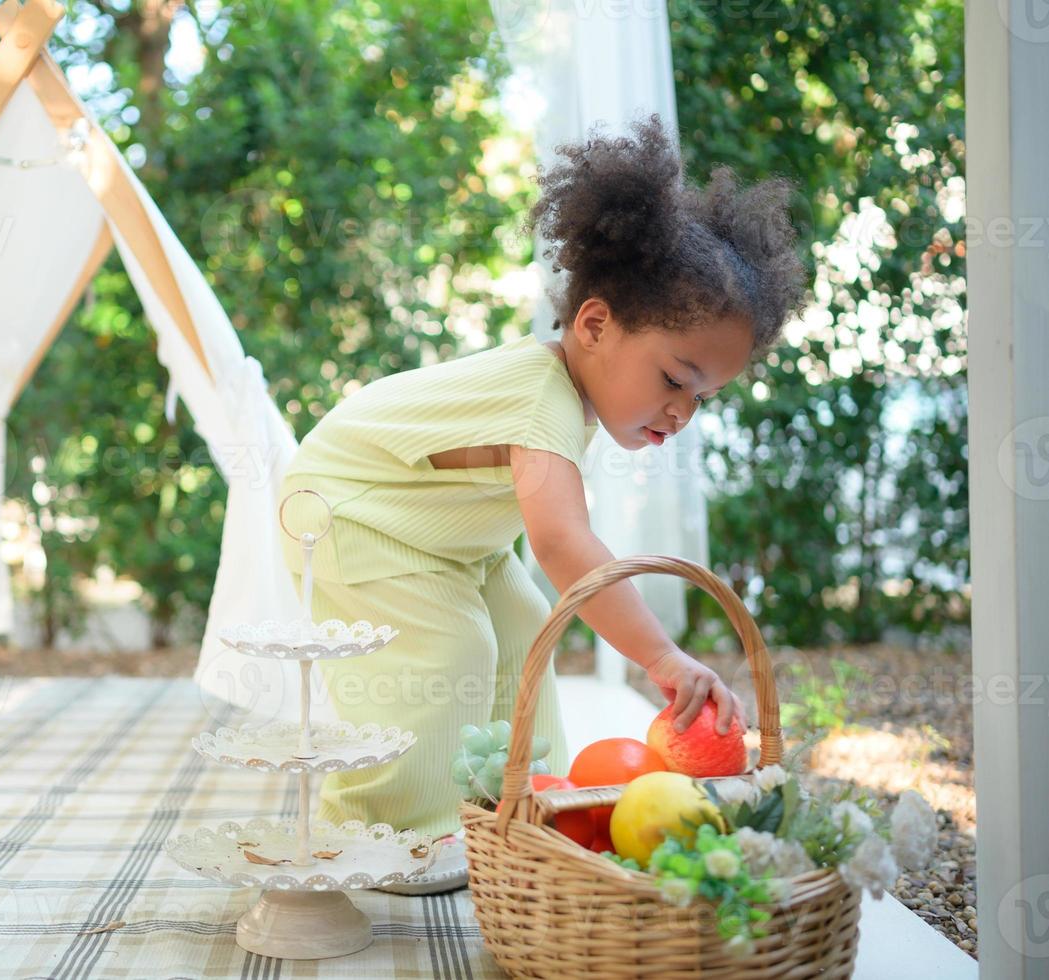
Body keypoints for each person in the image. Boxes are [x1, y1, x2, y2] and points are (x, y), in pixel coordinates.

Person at [277, 113, 807, 892]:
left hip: (439, 532)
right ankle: (379, 829)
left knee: (524, 633)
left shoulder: (566, 400)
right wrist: (660, 655)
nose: (681, 412)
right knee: (449, 650)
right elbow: (562, 543)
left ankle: (528, 802)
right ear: (593, 323)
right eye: (672, 380)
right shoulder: (540, 397)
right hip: (349, 511)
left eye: (702, 396)